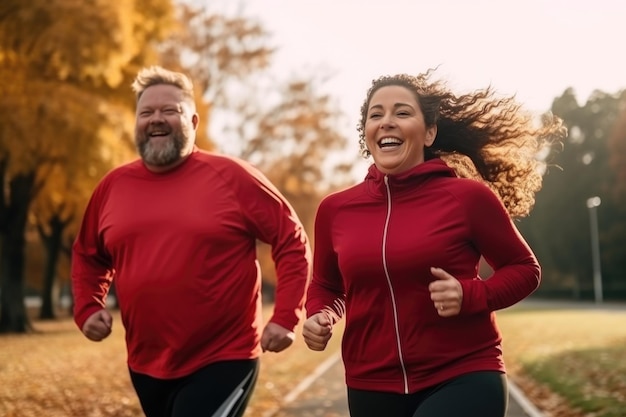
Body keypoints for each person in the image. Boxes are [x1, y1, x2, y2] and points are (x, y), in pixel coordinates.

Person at [302, 71, 566, 417]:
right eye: (376, 114)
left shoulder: (466, 198)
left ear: (429, 132)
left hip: (462, 374)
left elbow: (525, 269)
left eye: (402, 112)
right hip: (370, 383)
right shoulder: (335, 210)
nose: (387, 122)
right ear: (366, 134)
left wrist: (471, 294)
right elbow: (326, 284)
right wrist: (320, 314)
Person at [71, 65, 311, 417]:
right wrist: (88, 307)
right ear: (135, 122)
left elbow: (291, 239)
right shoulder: (112, 186)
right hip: (145, 362)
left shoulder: (233, 177)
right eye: (147, 112)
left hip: (223, 357)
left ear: (194, 122)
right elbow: (88, 255)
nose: (157, 119)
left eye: (170, 110)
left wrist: (287, 315)